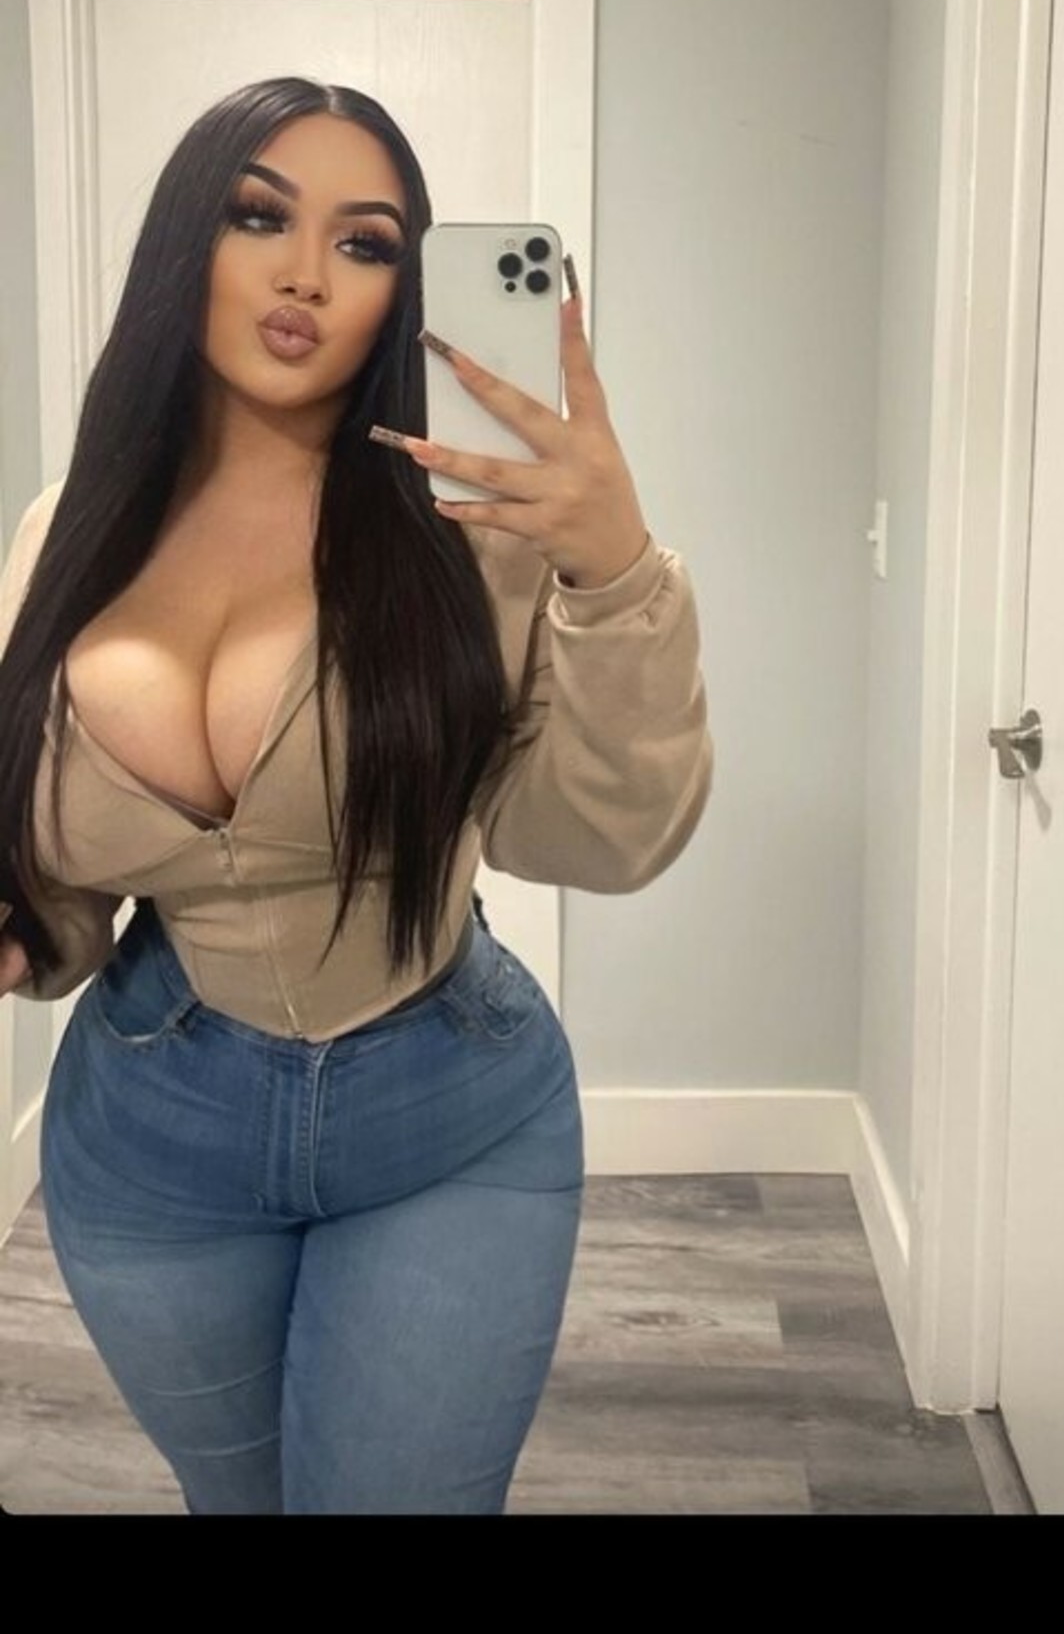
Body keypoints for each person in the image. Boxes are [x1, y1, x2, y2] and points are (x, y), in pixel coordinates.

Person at [0, 76, 713, 1515]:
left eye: (367, 243)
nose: (306, 275)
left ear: (409, 289)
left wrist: (614, 570)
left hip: (443, 1112)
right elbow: (61, 871)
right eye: (259, 216)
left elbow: (599, 836)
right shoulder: (64, 532)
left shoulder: (474, 536)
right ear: (186, 241)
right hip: (147, 1136)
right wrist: (27, 933)